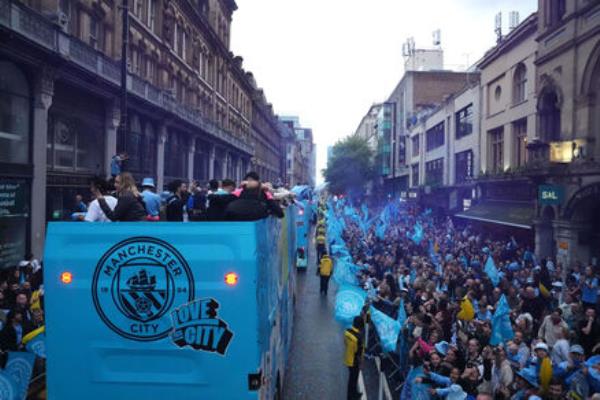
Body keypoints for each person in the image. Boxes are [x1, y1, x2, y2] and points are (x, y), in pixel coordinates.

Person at [344, 316, 364, 400]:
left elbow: (345, 343)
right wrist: (361, 364)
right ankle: (352, 397)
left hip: (348, 357)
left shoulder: (347, 331)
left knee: (352, 379)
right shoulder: (359, 338)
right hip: (354, 361)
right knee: (353, 380)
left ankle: (353, 394)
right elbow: (359, 353)